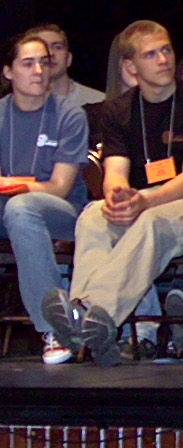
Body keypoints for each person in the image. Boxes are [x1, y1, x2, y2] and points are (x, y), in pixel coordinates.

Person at [42, 21, 183, 366]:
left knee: (151, 222)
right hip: (142, 200)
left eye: (166, 50)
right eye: (151, 54)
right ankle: (90, 320)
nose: (163, 60)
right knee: (93, 217)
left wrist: (143, 201)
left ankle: (86, 311)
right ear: (130, 66)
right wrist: (117, 197)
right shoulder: (118, 110)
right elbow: (114, 171)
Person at [0, 34, 89, 364]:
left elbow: (59, 187)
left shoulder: (69, 115)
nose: (38, 71)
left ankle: (55, 327)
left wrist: (10, 184)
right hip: (8, 211)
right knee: (16, 209)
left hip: (60, 212)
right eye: (28, 64)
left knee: (21, 207)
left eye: (44, 63)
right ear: (8, 72)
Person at [26, 24, 105, 106]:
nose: (50, 53)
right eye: (41, 47)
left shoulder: (99, 103)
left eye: (57, 47)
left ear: (68, 59)